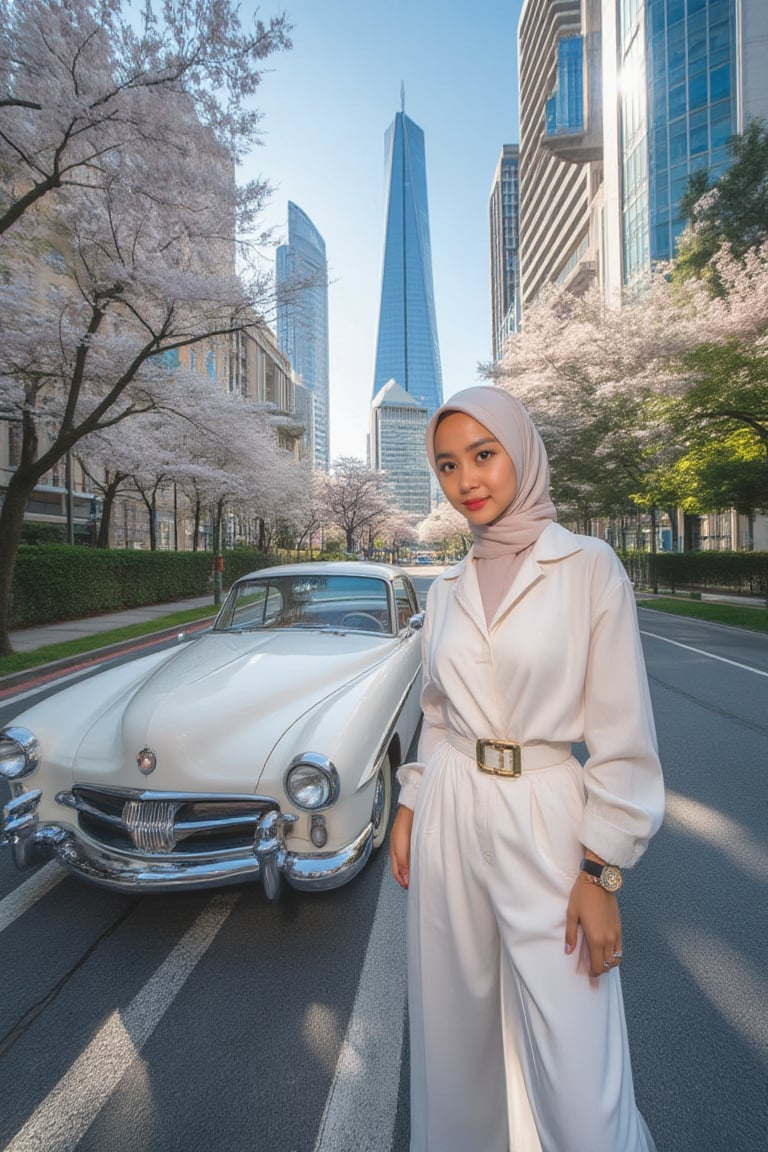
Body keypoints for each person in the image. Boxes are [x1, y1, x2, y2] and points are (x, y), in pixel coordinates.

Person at [390, 386, 665, 1152]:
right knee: (454, 1045)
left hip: (548, 814)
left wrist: (601, 871)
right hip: (450, 809)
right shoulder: (445, 591)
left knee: (581, 1081)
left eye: (484, 454)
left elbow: (622, 735)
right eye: (448, 465)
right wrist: (411, 804)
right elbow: (438, 715)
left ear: (522, 451)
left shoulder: (587, 568)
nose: (467, 480)